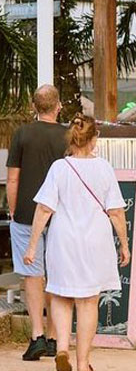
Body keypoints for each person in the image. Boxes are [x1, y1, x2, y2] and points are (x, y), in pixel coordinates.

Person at [23, 115, 130, 371]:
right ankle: (83, 364)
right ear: (93, 140)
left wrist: (32, 245)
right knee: (88, 302)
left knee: (60, 294)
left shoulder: (59, 168)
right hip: (95, 242)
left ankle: (61, 348)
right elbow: (116, 211)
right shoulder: (103, 168)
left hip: (63, 241)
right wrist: (124, 244)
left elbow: (44, 209)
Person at [7, 85, 67, 361]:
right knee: (57, 275)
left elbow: (14, 178)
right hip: (61, 215)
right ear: (59, 106)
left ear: (34, 107)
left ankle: (37, 337)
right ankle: (56, 338)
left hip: (26, 216)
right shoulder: (69, 136)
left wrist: (13, 210)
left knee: (33, 275)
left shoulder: (21, 134)